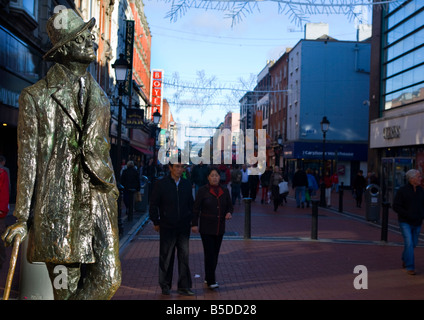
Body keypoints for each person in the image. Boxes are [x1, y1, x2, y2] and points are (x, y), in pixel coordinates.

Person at [1, 9, 121, 299]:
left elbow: (100, 148)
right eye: (84, 37)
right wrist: (21, 217)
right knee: (65, 291)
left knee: (110, 279)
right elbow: (28, 159)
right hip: (59, 207)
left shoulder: (101, 97)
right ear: (66, 48)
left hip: (99, 201)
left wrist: (112, 190)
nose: (93, 41)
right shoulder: (36, 96)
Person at [149, 162, 194, 296]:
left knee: (184, 257)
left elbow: (190, 204)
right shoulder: (161, 184)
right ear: (170, 168)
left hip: (183, 227)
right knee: (166, 257)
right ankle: (165, 285)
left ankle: (184, 286)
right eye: (177, 167)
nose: (180, 169)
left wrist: (191, 219)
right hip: (167, 226)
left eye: (182, 167)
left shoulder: (186, 184)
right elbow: (153, 204)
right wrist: (156, 221)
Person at [192, 167, 233, 289]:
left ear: (220, 177)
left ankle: (207, 276)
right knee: (209, 253)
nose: (214, 178)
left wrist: (229, 213)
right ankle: (211, 280)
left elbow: (230, 207)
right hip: (206, 227)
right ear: (208, 177)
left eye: (216, 175)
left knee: (215, 254)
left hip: (219, 227)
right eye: (212, 175)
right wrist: (194, 224)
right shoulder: (202, 191)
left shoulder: (224, 191)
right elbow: (196, 208)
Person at [393, 169, 424, 275]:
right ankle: (410, 267)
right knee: (409, 243)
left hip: (417, 222)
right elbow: (396, 206)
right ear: (412, 179)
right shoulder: (402, 191)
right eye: (419, 177)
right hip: (405, 222)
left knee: (413, 244)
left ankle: (404, 258)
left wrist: (421, 215)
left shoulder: (421, 190)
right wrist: (407, 214)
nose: (421, 178)